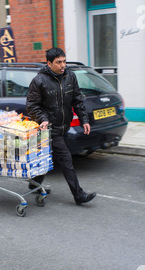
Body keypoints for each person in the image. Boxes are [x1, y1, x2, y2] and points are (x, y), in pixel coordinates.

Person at [26, 47, 96, 205]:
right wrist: (43, 118)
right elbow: (32, 105)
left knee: (48, 156)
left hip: (64, 126)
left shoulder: (70, 77)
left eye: (64, 61)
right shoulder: (39, 80)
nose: (63, 65)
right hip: (49, 129)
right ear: (49, 63)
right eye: (59, 62)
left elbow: (77, 100)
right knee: (66, 160)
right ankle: (78, 195)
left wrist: (84, 120)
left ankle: (34, 183)